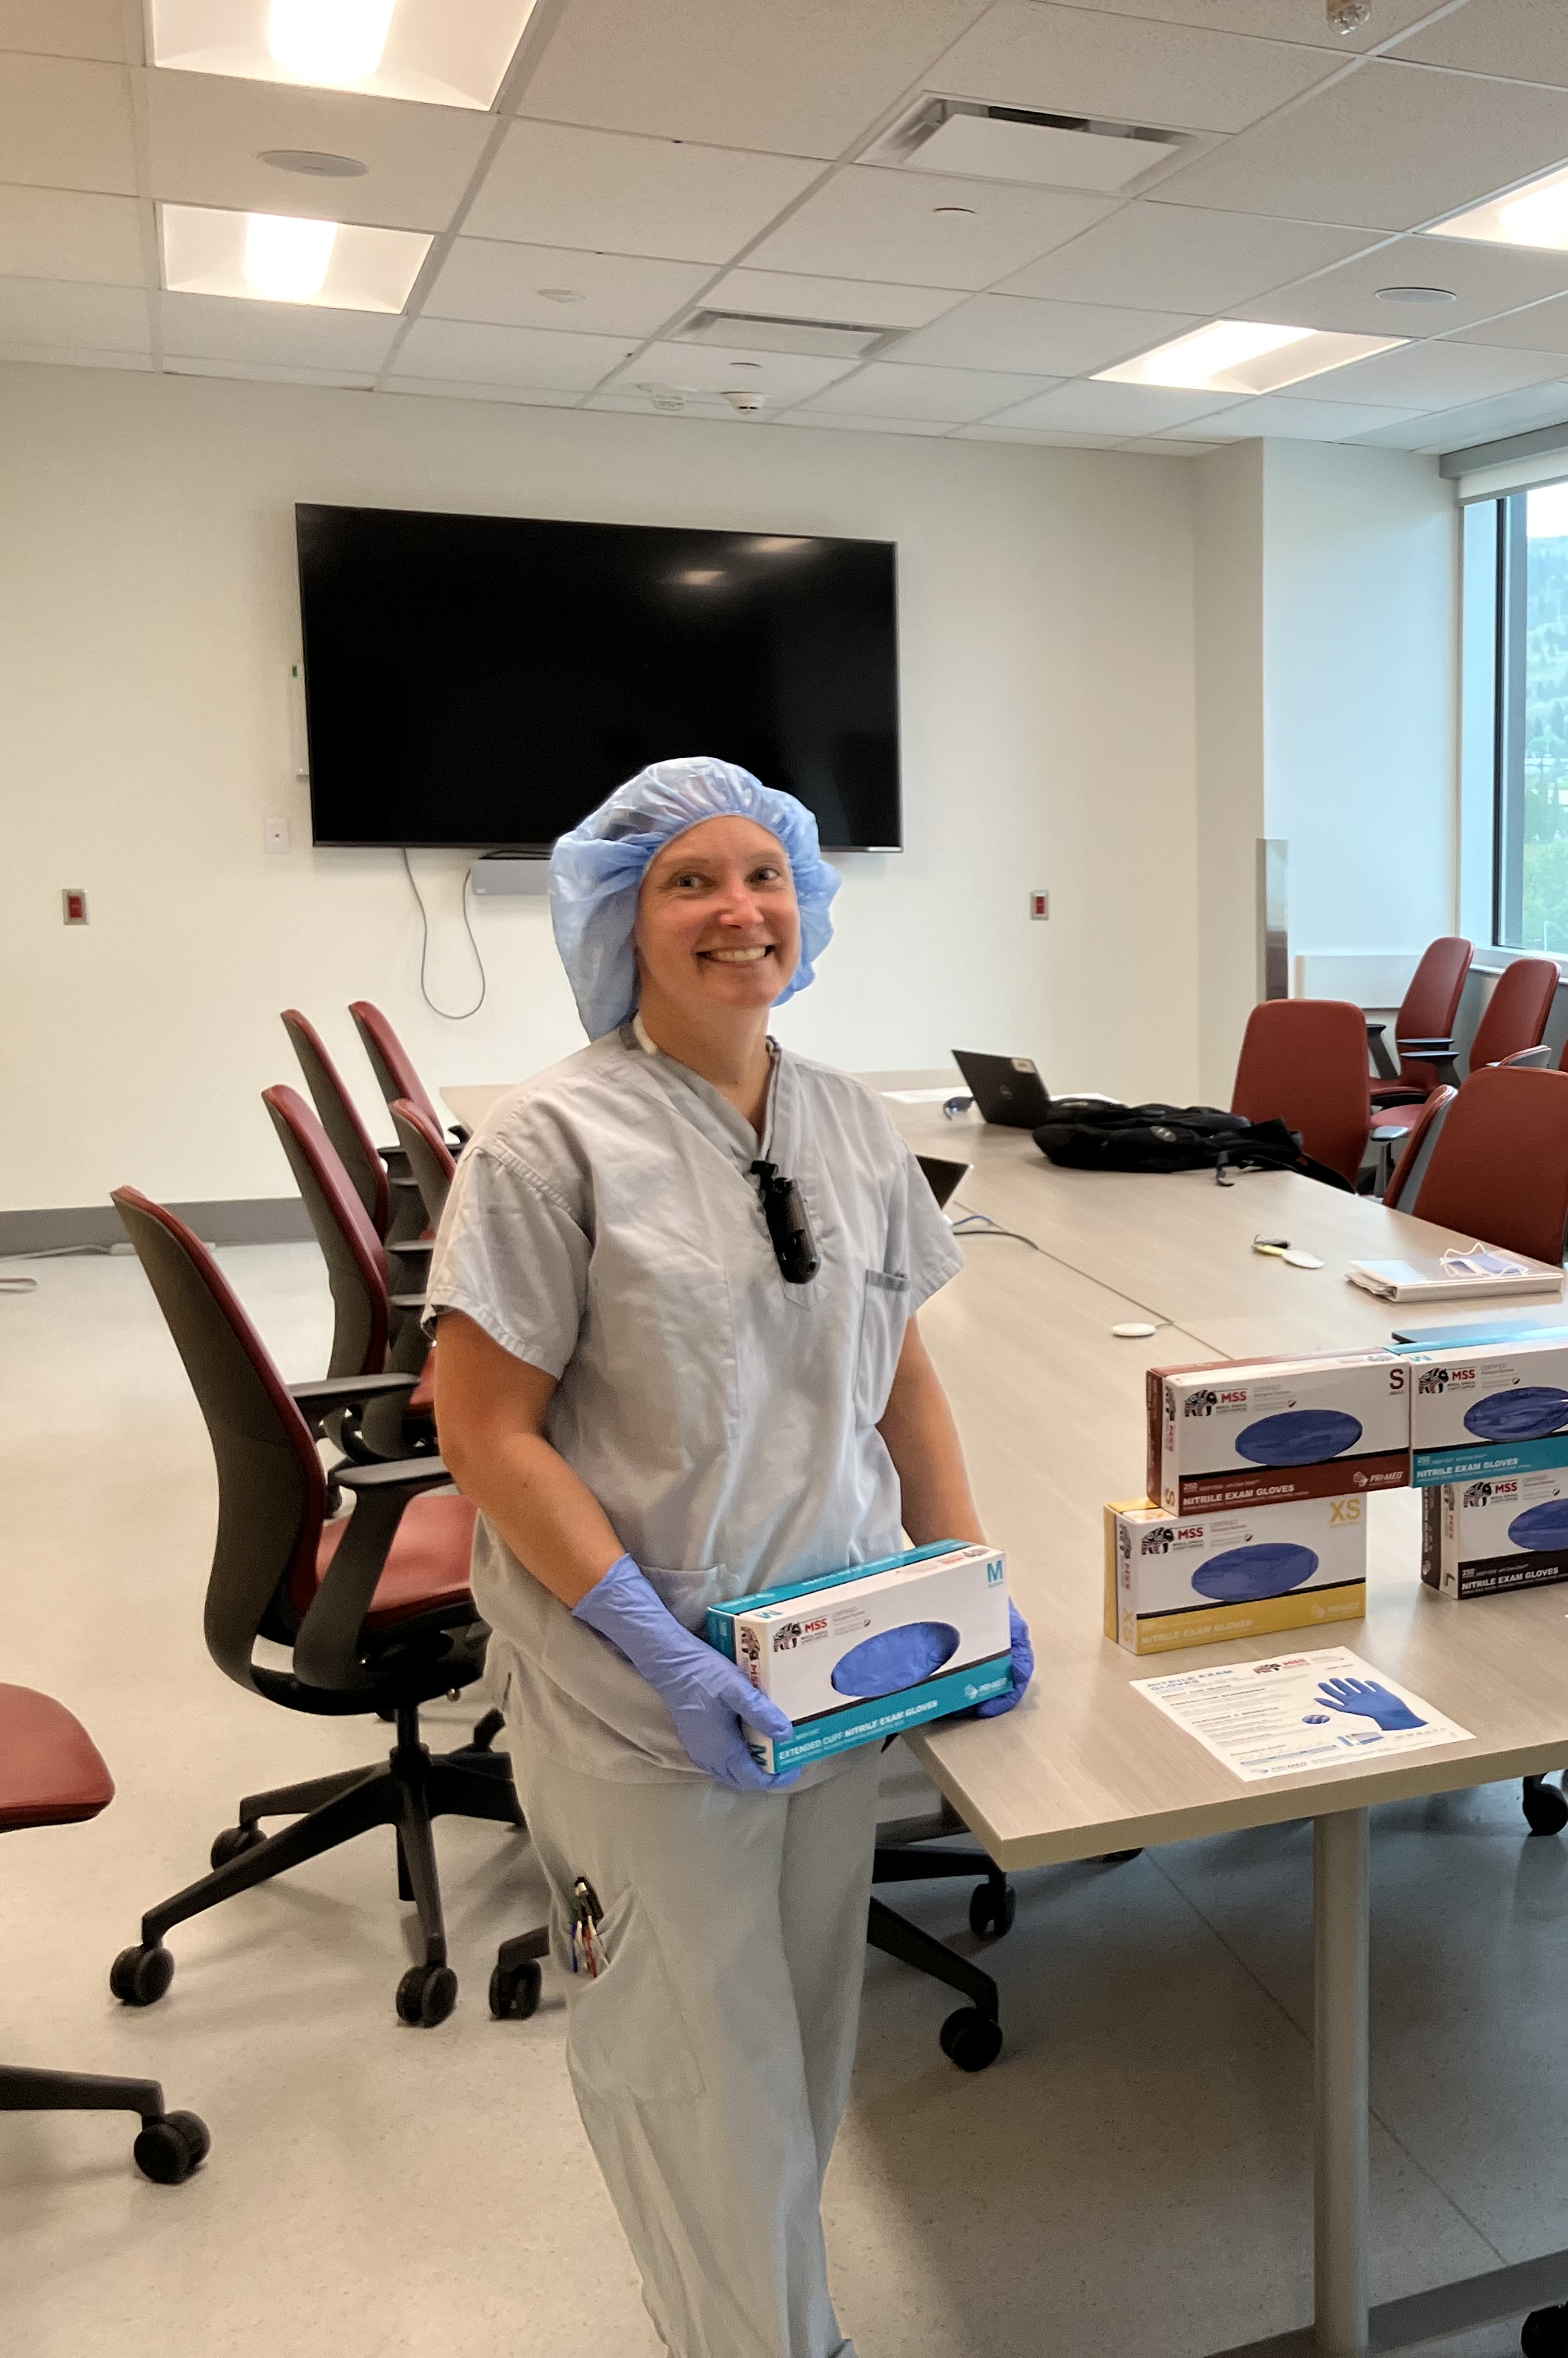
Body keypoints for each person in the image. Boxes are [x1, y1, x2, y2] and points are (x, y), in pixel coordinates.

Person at [426, 757, 1033, 2356]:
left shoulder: (843, 1118)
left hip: (830, 1664)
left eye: (765, 877)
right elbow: (483, 1428)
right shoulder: (548, 1143)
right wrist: (654, 1640)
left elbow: (898, 1364)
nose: (738, 909)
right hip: (643, 1698)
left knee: (807, 2047)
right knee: (697, 2077)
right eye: (692, 880)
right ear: (622, 915)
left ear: (807, 912)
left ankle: (771, 2318)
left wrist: (965, 1582)